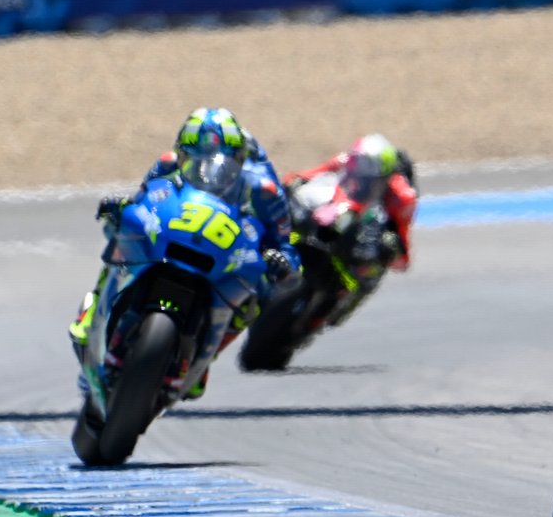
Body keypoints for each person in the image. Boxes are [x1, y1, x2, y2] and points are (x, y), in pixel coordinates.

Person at [68, 107, 299, 398]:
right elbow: (144, 200)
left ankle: (204, 360)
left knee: (256, 296)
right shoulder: (166, 164)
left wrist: (279, 262)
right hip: (177, 232)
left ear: (239, 159)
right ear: (181, 152)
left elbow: (285, 246)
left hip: (229, 248)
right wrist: (122, 209)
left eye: (220, 160)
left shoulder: (264, 187)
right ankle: (96, 310)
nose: (204, 166)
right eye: (192, 157)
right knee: (126, 236)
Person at [283, 134, 418, 324]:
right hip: (346, 209)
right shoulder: (347, 160)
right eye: (356, 169)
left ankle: (348, 302)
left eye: (367, 177)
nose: (359, 176)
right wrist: (295, 183)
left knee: (377, 260)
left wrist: (396, 250)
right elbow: (306, 175)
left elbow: (403, 240)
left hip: (376, 223)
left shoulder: (403, 196)